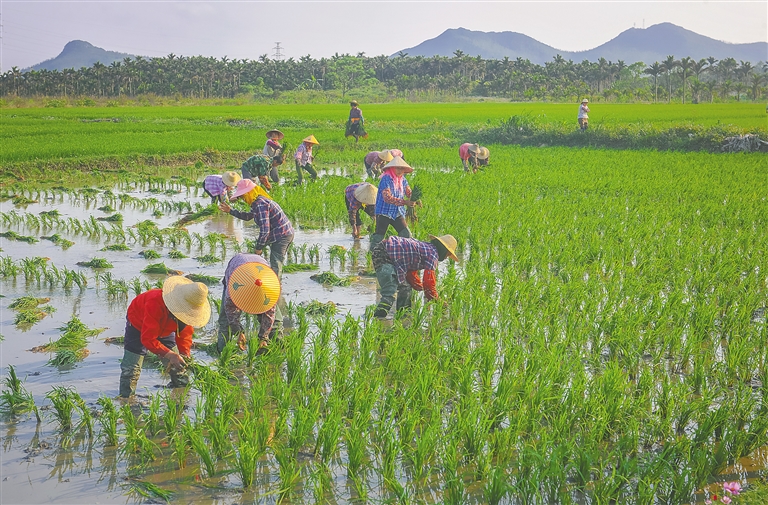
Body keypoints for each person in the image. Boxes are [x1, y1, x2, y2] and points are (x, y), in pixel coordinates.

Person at [119, 277, 211, 398]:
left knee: (178, 366)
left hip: (166, 328)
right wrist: (170, 354)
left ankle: (181, 395)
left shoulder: (187, 315)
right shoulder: (154, 303)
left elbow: (184, 337)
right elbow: (147, 339)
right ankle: (126, 399)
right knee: (131, 369)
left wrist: (184, 355)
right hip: (138, 324)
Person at [219, 179, 294, 280]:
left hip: (282, 234)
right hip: (278, 233)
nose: (243, 199)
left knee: (276, 262)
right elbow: (247, 217)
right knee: (256, 255)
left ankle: (276, 286)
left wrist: (259, 247)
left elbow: (265, 230)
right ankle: (255, 279)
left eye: (243, 196)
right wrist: (230, 211)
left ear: (249, 193)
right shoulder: (256, 202)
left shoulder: (260, 204)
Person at [372, 234, 458, 318]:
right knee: (390, 291)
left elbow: (410, 273)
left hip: (388, 252)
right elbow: (429, 284)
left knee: (405, 287)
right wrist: (439, 301)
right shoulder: (432, 255)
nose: (446, 257)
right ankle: (377, 319)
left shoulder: (425, 248)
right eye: (448, 254)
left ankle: (403, 316)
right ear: (443, 250)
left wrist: (419, 286)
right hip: (384, 253)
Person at [217, 253, 281, 355]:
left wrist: (263, 337)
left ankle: (278, 347)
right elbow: (230, 312)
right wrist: (239, 332)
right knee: (225, 321)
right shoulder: (234, 288)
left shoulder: (270, 291)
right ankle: (222, 352)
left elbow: (269, 315)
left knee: (275, 321)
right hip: (236, 266)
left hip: (261, 268)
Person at [370, 156, 418, 251]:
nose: (400, 171)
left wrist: (414, 198)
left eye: (402, 168)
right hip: (384, 212)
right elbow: (387, 198)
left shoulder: (403, 180)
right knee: (379, 237)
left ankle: (403, 253)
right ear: (392, 168)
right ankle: (371, 254)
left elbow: (408, 192)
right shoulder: (386, 179)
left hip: (397, 212)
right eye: (397, 168)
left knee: (406, 234)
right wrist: (405, 202)